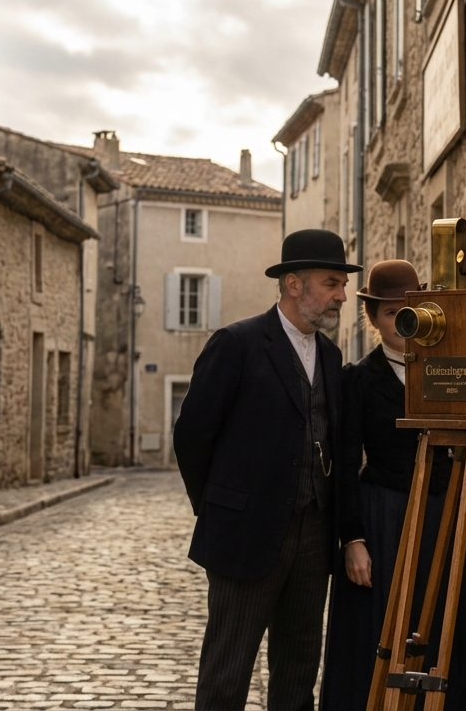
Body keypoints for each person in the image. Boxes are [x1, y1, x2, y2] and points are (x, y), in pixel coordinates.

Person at [173, 229, 360, 711]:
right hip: (245, 535)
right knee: (226, 675)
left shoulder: (333, 357)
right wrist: (222, 508)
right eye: (332, 283)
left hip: (314, 539)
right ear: (294, 284)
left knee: (298, 674)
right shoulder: (237, 344)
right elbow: (192, 436)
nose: (342, 295)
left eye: (342, 284)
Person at [321, 260, 466, 711]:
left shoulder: (452, 371)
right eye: (391, 313)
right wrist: (352, 539)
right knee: (383, 636)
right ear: (373, 318)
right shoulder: (359, 378)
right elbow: (347, 463)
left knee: (452, 632)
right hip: (385, 518)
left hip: (443, 515)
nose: (402, 322)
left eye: (410, 310)